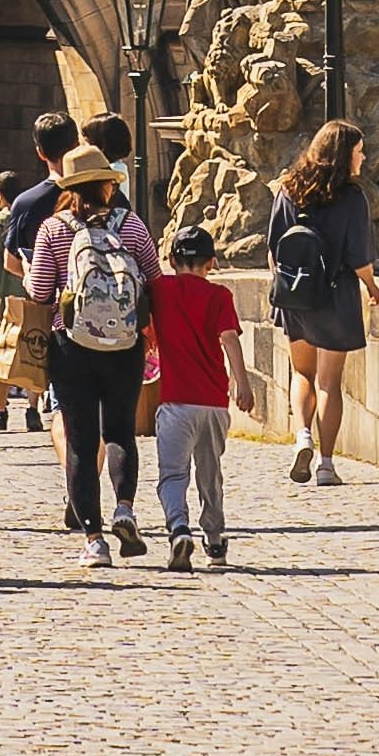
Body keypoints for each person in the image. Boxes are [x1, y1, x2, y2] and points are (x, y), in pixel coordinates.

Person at [21, 141, 159, 564]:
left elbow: (41, 292)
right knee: (120, 432)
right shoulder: (130, 225)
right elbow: (153, 279)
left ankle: (94, 541)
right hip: (124, 344)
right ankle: (125, 509)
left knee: (80, 441)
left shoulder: (54, 229)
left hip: (72, 345)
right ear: (106, 186)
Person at [269, 119, 378, 489]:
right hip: (336, 298)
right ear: (344, 154)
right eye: (359, 151)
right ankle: (327, 465)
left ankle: (302, 435)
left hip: (296, 296)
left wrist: (289, 285)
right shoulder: (351, 197)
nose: (362, 158)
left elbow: (273, 250)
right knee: (330, 383)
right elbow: (359, 257)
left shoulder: (287, 189)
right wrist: (372, 287)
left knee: (302, 374)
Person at [147, 222, 249, 570]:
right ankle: (216, 541)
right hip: (214, 402)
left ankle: (179, 529)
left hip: (175, 401)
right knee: (210, 473)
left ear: (172, 259)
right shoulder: (220, 296)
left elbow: (145, 331)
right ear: (213, 263)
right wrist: (243, 384)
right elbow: (230, 339)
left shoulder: (160, 289)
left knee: (173, 474)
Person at [0, 109, 75, 437]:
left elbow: (10, 261)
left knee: (21, 354)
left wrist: (37, 278)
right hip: (99, 315)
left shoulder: (27, 202)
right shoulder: (105, 194)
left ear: (39, 151)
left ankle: (8, 408)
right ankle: (35, 408)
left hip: (44, 304)